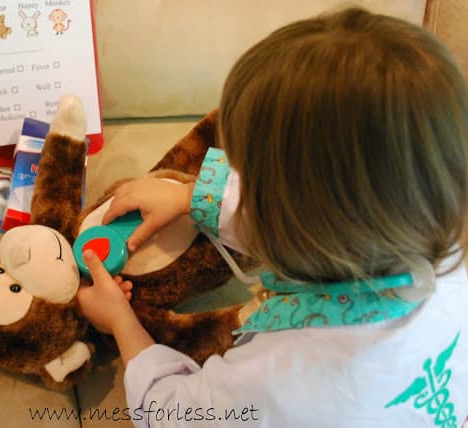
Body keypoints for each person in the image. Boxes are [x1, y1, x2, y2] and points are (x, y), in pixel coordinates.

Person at [77, 7, 468, 427]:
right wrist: (194, 194)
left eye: (249, 177)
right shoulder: (446, 266)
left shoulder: (281, 377)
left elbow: (171, 412)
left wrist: (120, 319)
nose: (238, 184)